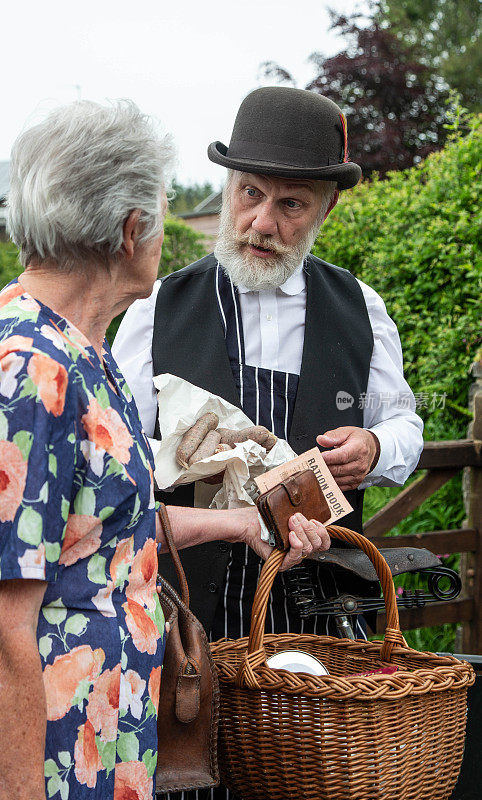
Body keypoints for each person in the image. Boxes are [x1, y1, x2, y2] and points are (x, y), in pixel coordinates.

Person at [0, 99, 330, 800]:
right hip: (55, 764)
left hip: (112, 743)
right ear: (129, 231)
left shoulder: (86, 354)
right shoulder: (30, 372)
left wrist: (239, 522)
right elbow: (4, 631)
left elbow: (97, 535)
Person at [113, 87, 424, 799]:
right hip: (190, 622)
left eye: (292, 205)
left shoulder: (361, 308)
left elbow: (407, 423)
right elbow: (118, 456)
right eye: (250, 193)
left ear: (324, 211)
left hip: (320, 624)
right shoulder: (156, 308)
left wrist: (376, 446)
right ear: (227, 187)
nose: (261, 221)